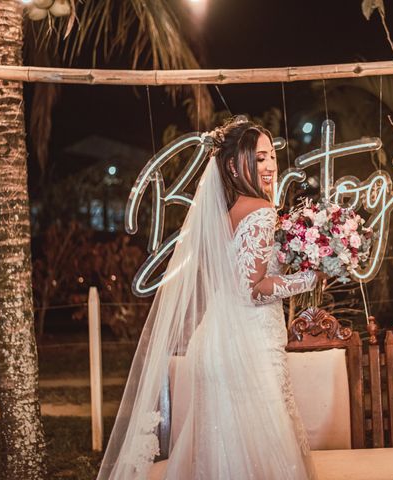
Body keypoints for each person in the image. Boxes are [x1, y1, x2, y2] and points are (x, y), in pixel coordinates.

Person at [97, 117, 321, 480]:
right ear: (234, 166)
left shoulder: (227, 213)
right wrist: (308, 278)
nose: (270, 165)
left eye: (271, 156)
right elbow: (254, 289)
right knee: (264, 447)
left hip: (217, 341)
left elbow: (234, 279)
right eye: (259, 158)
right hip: (249, 345)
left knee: (226, 450)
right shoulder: (262, 212)